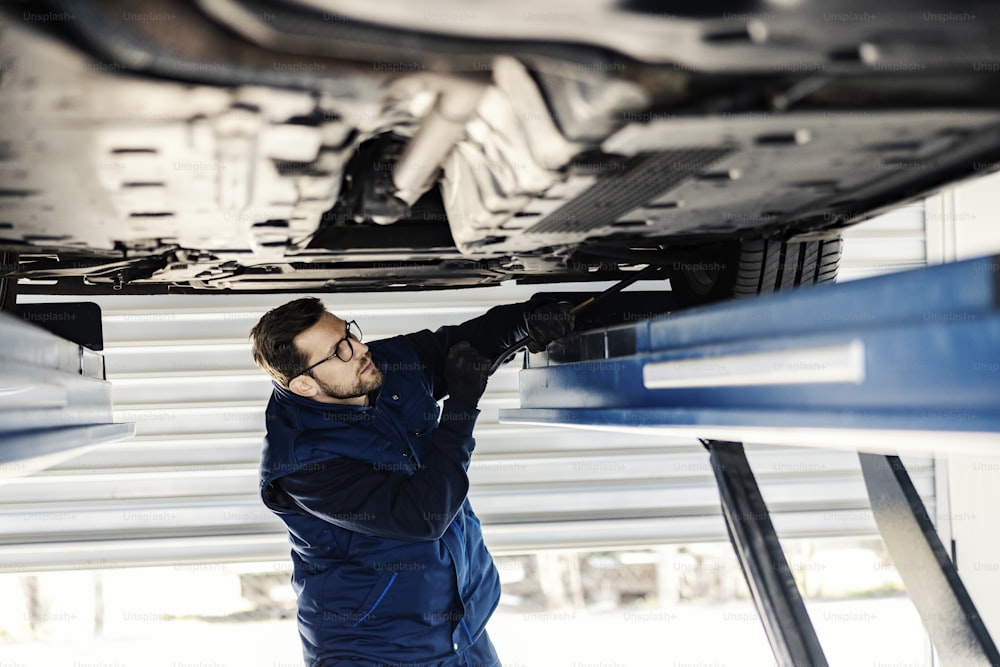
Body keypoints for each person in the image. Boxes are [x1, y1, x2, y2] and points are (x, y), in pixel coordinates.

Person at [249, 296, 574, 667]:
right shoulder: (302, 463)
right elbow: (423, 517)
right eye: (339, 350)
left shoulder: (381, 368)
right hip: (375, 650)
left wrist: (528, 319)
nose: (359, 348)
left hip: (463, 631)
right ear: (305, 385)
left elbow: (464, 344)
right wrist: (461, 410)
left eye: (349, 333)